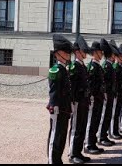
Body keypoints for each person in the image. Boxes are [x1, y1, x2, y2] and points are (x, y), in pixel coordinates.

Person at [47, 34, 72, 164]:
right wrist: (53, 105)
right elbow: (53, 91)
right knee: (55, 136)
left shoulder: (64, 69)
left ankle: (58, 160)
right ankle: (52, 161)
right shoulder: (56, 70)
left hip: (64, 108)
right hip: (58, 108)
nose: (68, 54)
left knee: (61, 136)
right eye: (66, 52)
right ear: (58, 53)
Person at [68, 35, 91, 164]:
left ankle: (78, 152)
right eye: (83, 51)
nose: (85, 53)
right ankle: (72, 154)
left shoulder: (82, 66)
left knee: (82, 127)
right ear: (77, 52)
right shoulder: (74, 67)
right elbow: (72, 88)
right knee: (76, 128)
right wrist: (72, 102)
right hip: (77, 102)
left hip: (84, 101)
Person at [83, 41, 105, 155]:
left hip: (99, 99)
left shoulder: (98, 66)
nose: (102, 54)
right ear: (95, 52)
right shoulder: (92, 67)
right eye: (100, 52)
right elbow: (91, 85)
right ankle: (88, 144)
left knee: (96, 121)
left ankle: (93, 142)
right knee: (91, 122)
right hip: (94, 99)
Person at [98, 38, 117, 147]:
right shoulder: (106, 65)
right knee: (104, 116)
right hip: (107, 95)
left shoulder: (110, 65)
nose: (115, 56)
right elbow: (104, 82)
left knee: (108, 115)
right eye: (114, 54)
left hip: (111, 94)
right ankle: (101, 137)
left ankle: (104, 135)